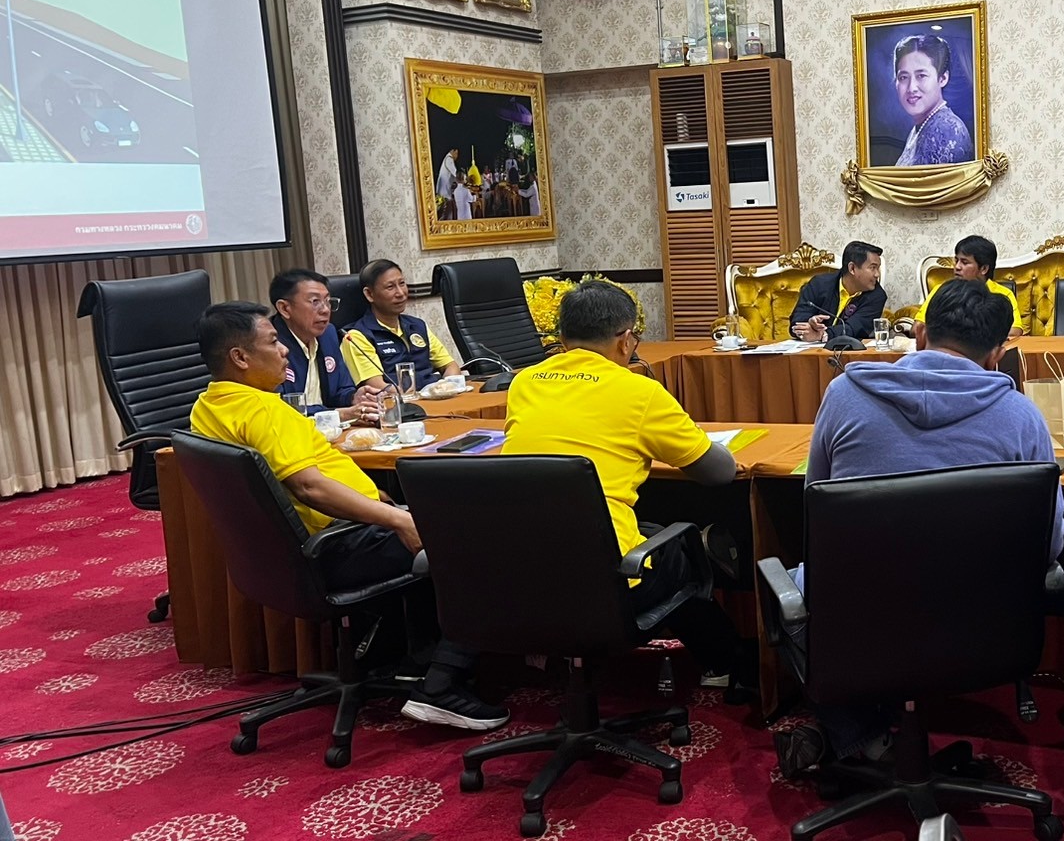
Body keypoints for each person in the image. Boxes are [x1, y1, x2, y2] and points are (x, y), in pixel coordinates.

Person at [772, 279, 1064, 776]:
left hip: (858, 619)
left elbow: (815, 505)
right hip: (984, 624)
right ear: (998, 355)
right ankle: (868, 738)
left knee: (788, 586)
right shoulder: (1022, 417)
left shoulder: (843, 395)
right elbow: (1050, 545)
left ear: (921, 334)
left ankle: (864, 738)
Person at [189, 302, 507, 730]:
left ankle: (413, 661)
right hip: (338, 545)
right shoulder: (264, 411)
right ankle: (441, 686)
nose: (283, 351)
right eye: (273, 341)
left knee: (429, 520)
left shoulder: (207, 406)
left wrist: (382, 504)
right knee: (479, 540)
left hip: (286, 555)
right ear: (240, 357)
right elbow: (310, 488)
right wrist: (398, 520)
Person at [503, 281, 755, 696]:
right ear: (625, 341)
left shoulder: (524, 383)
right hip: (607, 580)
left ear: (562, 338)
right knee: (686, 549)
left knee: (651, 532)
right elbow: (718, 473)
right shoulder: (639, 392)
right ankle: (728, 663)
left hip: (517, 570)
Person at [269, 268, 380, 423]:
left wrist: (353, 397)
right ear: (284, 308)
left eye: (328, 301)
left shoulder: (328, 334)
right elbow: (281, 408)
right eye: (315, 302)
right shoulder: (269, 346)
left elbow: (341, 388)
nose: (325, 310)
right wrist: (338, 414)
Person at [341, 259, 462, 391]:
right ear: (369, 294)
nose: (400, 293)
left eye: (402, 283)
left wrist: (446, 388)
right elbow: (377, 386)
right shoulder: (357, 337)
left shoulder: (418, 326)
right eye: (390, 287)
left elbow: (450, 366)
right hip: (396, 402)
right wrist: (411, 396)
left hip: (433, 395)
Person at [913, 235, 1021, 345]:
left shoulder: (1002, 294)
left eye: (964, 262)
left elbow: (1015, 331)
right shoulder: (942, 291)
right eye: (956, 260)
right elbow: (917, 327)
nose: (957, 267)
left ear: (984, 269)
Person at [891, 35, 973, 166]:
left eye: (921, 76)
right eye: (903, 77)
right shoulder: (921, 126)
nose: (911, 88)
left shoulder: (947, 130)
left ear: (943, 78)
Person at [789, 241, 888, 342]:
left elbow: (854, 329)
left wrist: (822, 334)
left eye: (878, 268)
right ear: (852, 268)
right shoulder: (819, 284)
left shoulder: (877, 296)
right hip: (807, 348)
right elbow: (797, 320)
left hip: (848, 349)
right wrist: (809, 324)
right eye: (873, 268)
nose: (877, 274)